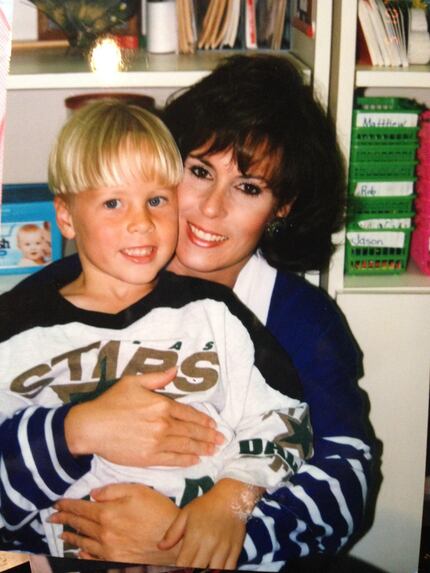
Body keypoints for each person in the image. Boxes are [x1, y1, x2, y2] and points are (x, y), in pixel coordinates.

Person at [12, 54, 376, 570]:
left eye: (248, 188)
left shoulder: (301, 320)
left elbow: (347, 480)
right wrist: (76, 428)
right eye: (199, 171)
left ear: (283, 206)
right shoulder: (64, 290)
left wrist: (209, 529)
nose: (210, 208)